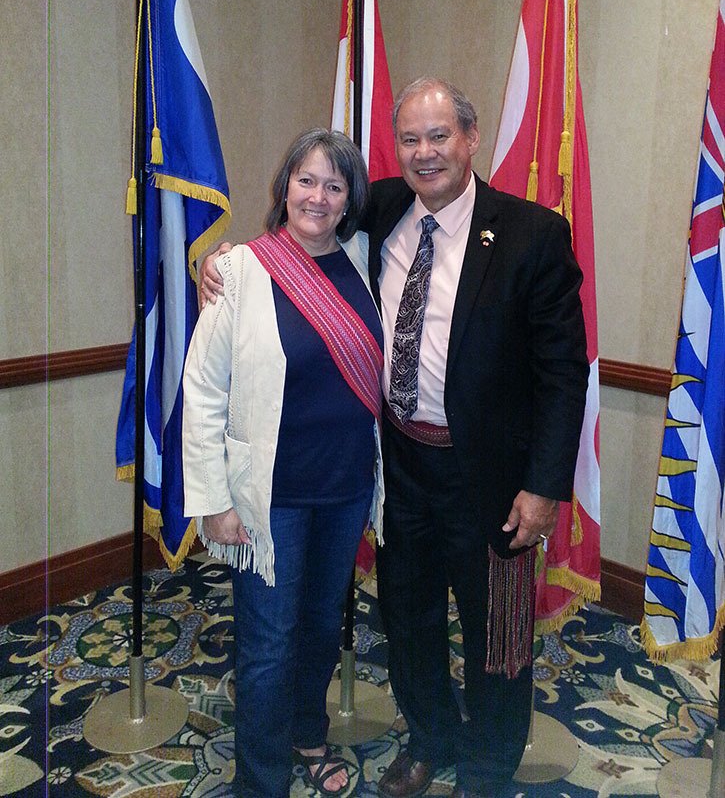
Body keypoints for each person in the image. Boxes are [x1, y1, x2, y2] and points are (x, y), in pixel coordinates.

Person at [202, 79, 589, 798]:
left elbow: (563, 376)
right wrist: (218, 262)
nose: (423, 152)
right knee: (406, 619)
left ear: (469, 139)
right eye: (409, 138)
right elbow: (298, 237)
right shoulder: (376, 209)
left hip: (495, 480)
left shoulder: (532, 233)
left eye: (438, 136)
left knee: (495, 634)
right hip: (401, 467)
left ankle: (485, 764)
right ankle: (429, 735)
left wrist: (542, 487)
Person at [183, 128, 385, 798]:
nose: (318, 196)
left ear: (349, 196)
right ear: (284, 186)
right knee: (268, 643)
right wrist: (213, 499)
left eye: (334, 184)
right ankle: (260, 780)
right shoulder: (240, 267)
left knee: (324, 625)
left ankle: (307, 733)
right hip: (270, 497)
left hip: (346, 485)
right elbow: (204, 389)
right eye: (306, 179)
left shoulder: (363, 258)